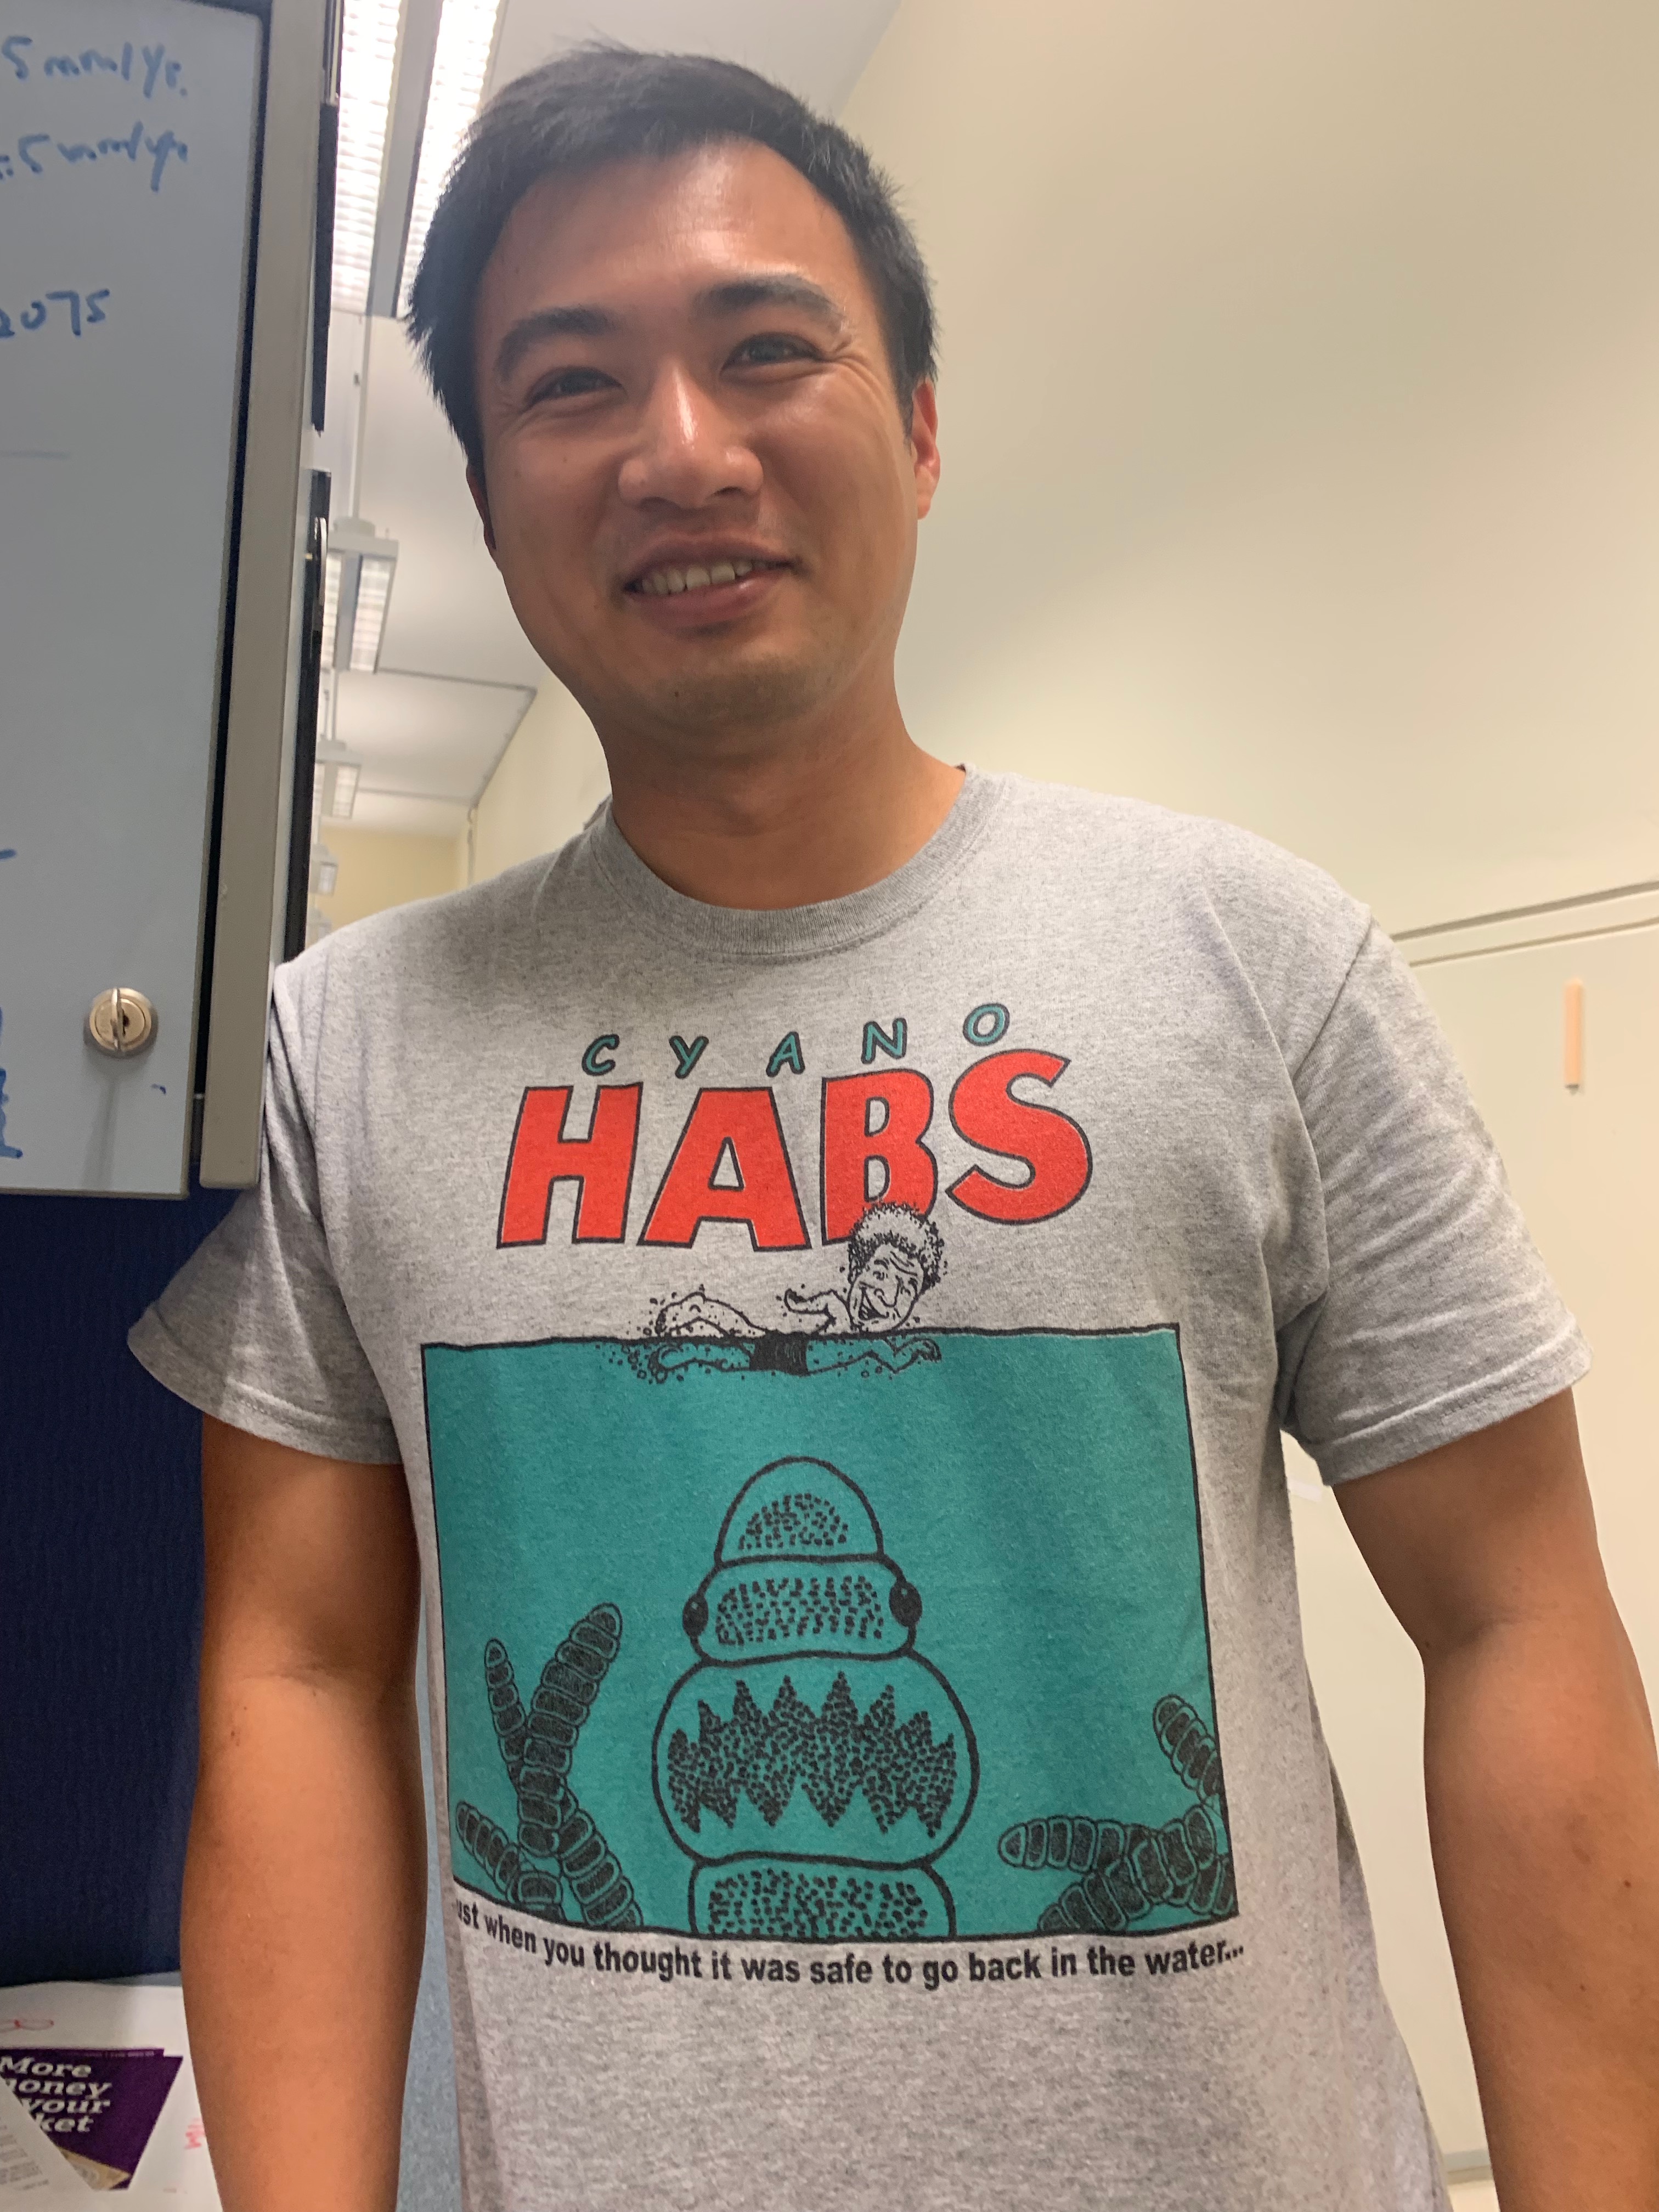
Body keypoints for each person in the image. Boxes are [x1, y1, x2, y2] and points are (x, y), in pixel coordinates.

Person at [129, 45, 1659, 2212]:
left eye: (768, 350)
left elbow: (1517, 1619)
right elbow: (298, 1671)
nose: (683, 451)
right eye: (572, 385)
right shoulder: (349, 1041)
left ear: (923, 430)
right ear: (488, 497)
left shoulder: (1254, 961)